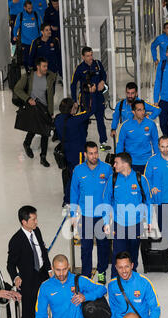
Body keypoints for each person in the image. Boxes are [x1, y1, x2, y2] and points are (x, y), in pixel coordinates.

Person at [7, 206, 52, 318]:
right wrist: (15, 277)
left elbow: (43, 253)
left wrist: (49, 270)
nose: (36, 222)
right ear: (24, 222)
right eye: (33, 219)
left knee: (43, 306)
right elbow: (10, 264)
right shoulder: (16, 240)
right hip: (28, 282)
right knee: (27, 314)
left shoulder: (36, 231)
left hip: (42, 276)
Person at [70, 141, 113, 285]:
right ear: (85, 154)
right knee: (86, 248)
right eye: (91, 153)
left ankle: (101, 273)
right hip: (85, 217)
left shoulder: (107, 169)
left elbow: (111, 192)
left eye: (96, 153)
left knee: (103, 247)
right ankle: (86, 276)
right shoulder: (78, 170)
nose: (94, 156)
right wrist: (72, 215)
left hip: (102, 216)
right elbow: (74, 193)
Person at [103, 152, 151, 278]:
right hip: (119, 226)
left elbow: (148, 202)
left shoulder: (140, 179)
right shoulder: (112, 180)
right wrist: (106, 221)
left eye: (116, 162)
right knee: (117, 255)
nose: (114, 165)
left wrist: (149, 221)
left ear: (125, 164)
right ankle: (115, 282)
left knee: (133, 255)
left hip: (136, 225)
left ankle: (132, 280)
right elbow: (106, 201)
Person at [107, 252, 161, 318]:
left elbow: (155, 308)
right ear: (116, 267)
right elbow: (113, 310)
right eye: (120, 267)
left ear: (132, 265)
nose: (124, 271)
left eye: (127, 266)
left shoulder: (145, 282)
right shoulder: (112, 285)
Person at [14, 57, 55, 168]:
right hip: (33, 107)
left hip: (44, 108)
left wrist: (51, 111)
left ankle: (43, 157)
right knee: (34, 128)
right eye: (44, 66)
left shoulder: (50, 77)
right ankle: (27, 144)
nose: (46, 68)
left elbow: (51, 96)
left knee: (45, 132)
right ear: (38, 67)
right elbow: (17, 89)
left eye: (47, 66)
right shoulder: (28, 77)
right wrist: (28, 99)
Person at [54, 97, 96, 207]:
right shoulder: (74, 121)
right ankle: (68, 199)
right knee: (76, 176)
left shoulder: (58, 118)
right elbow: (92, 110)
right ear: (71, 109)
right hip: (77, 153)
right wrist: (92, 94)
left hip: (66, 150)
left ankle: (69, 197)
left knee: (70, 174)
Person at [71, 46, 110, 151]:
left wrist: (102, 82)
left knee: (100, 121)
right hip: (86, 98)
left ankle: (103, 143)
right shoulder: (79, 68)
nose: (90, 57)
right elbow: (73, 84)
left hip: (98, 96)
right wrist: (74, 101)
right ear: (83, 57)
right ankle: (83, 143)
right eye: (88, 56)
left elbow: (104, 75)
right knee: (84, 121)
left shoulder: (97, 64)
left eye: (91, 55)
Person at [116, 100, 159, 174]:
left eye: (143, 109)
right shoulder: (125, 126)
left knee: (146, 185)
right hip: (130, 163)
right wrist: (119, 162)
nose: (143, 112)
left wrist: (158, 160)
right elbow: (120, 145)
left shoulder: (151, 124)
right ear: (133, 112)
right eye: (139, 110)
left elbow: (155, 143)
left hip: (147, 162)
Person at [13, 0, 42, 72]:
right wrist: (14, 35)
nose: (30, 9)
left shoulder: (36, 14)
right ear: (24, 8)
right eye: (29, 8)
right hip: (25, 42)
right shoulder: (20, 15)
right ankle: (27, 74)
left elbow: (41, 26)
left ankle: (36, 74)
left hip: (35, 41)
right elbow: (16, 27)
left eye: (31, 8)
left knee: (36, 59)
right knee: (26, 59)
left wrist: (41, 37)